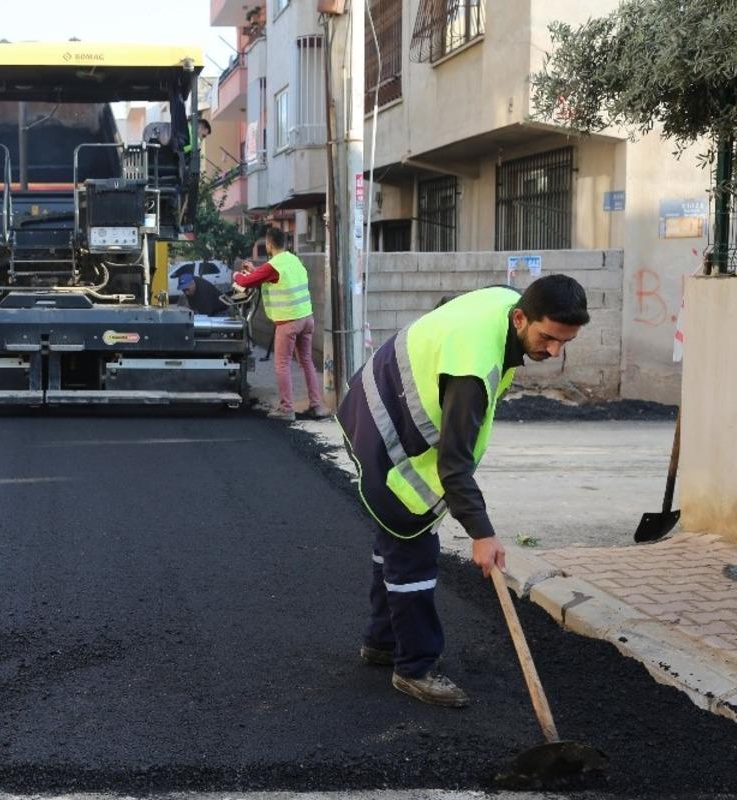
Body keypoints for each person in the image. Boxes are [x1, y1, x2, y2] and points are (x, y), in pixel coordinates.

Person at [336, 275, 590, 708]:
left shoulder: (505, 302)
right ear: (519, 318)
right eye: (547, 338)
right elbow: (453, 465)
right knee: (412, 543)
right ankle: (414, 668)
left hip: (377, 399)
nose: (553, 351)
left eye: (565, 342)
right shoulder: (472, 368)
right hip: (385, 430)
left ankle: (382, 642)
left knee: (394, 540)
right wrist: (482, 533)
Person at [235, 228, 329, 421]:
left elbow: (245, 282)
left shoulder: (274, 266)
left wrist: (236, 275)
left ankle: (286, 408)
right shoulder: (294, 260)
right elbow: (273, 277)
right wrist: (255, 271)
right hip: (306, 318)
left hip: (288, 322)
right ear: (285, 243)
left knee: (282, 364)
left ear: (269, 244)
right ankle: (316, 406)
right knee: (307, 362)